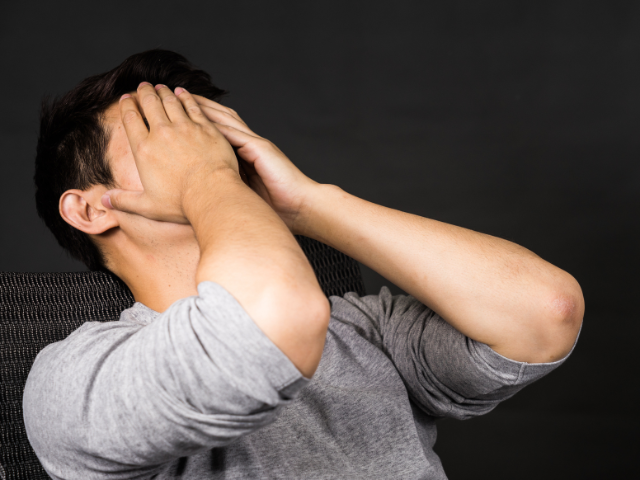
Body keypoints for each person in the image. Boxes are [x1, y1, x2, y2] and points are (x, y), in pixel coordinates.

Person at [24, 50, 583, 479]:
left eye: (205, 128)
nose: (202, 145)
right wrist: (204, 179)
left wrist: (310, 205)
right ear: (92, 209)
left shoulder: (365, 328)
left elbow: (544, 312)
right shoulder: (74, 379)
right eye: (160, 132)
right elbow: (266, 327)